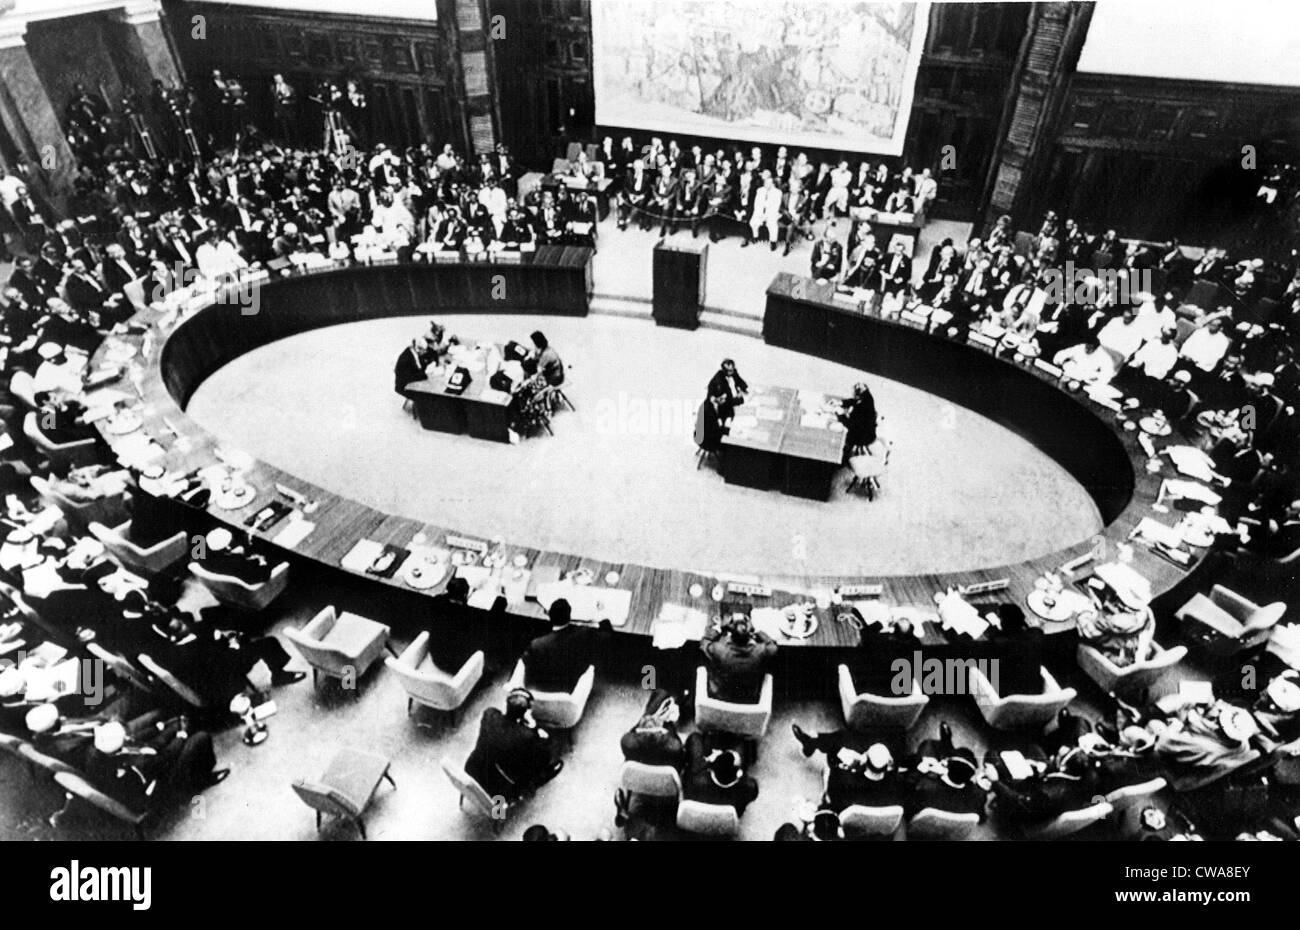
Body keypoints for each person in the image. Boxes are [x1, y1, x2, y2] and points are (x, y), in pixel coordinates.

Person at [464, 688, 562, 801]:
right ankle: (499, 814)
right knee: (537, 761)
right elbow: (544, 755)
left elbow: (499, 717)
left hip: (472, 770)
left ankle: (495, 811)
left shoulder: (489, 715)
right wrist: (534, 728)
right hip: (498, 792)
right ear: (526, 713)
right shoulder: (527, 736)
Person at [519, 598, 601, 693]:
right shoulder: (584, 633)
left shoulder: (537, 645)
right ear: (569, 615)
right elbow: (605, 633)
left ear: (549, 616)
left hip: (539, 689)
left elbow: (526, 663)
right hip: (569, 687)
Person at [426, 575, 499, 673]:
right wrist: (500, 600)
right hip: (458, 665)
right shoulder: (469, 615)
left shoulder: (437, 601)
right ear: (465, 595)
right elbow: (492, 619)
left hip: (437, 656)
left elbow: (443, 598)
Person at [700, 612, 776, 703]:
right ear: (750, 638)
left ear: (730, 637)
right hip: (749, 698)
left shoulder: (719, 650)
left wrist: (717, 629)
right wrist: (757, 630)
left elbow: (704, 642)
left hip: (720, 697)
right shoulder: (760, 651)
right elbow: (773, 646)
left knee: (704, 661)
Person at [682, 735, 758, 814]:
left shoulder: (696, 782)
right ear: (738, 772)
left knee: (695, 738)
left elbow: (688, 774)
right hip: (728, 813)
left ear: (711, 770)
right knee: (742, 744)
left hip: (703, 796)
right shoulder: (749, 788)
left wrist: (708, 761)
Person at [619, 689, 686, 769]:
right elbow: (679, 749)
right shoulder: (674, 746)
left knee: (660, 696)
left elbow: (632, 735)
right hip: (665, 764)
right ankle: (681, 699)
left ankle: (652, 713)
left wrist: (648, 720)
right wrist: (662, 724)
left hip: (639, 762)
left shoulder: (628, 743)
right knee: (663, 695)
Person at [839, 382, 878, 454]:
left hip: (862, 437)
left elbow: (852, 425)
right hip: (868, 433)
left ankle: (846, 456)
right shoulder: (868, 401)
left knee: (842, 435)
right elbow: (853, 401)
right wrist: (841, 402)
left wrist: (841, 416)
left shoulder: (863, 407)